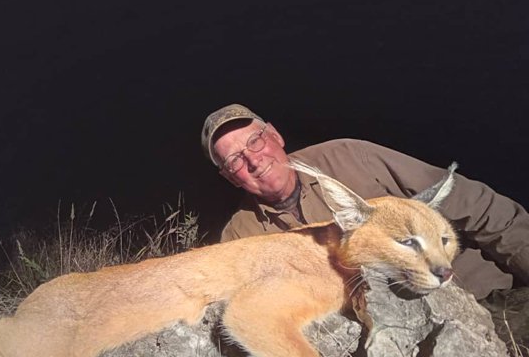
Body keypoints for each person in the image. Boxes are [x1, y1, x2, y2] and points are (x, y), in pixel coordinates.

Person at [201, 104, 529, 299]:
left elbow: (480, 207)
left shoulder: (352, 157)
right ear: (230, 177)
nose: (253, 160)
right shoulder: (240, 234)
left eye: (255, 141)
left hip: (487, 296)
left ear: (275, 136)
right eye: (235, 161)